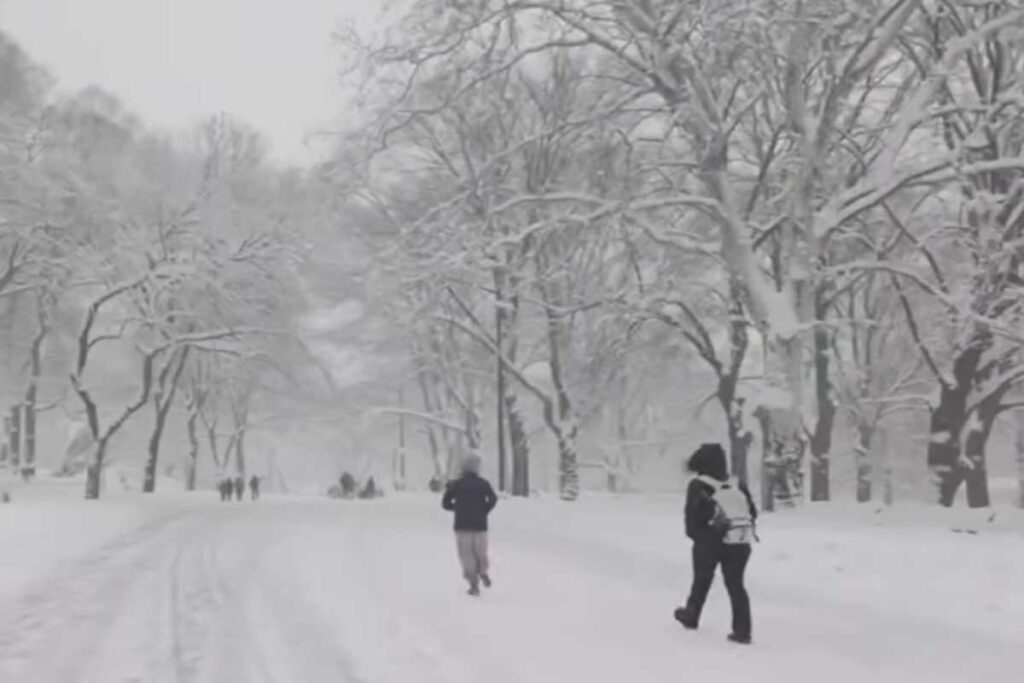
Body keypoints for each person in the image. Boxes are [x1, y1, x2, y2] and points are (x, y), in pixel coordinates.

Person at [674, 443, 757, 645]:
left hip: (710, 542)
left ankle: (691, 615)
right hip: (740, 541)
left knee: (701, 581)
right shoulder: (736, 483)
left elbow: (692, 522)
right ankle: (742, 630)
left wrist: (702, 537)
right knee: (736, 586)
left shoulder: (698, 485)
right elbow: (752, 512)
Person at [441, 454, 497, 596]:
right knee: (481, 552)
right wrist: (484, 510)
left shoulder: (456, 484)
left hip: (462, 525)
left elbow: (445, 504)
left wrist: (457, 508)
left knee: (466, 555)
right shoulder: (483, 483)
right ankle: (483, 571)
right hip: (480, 525)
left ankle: (473, 583)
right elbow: (493, 498)